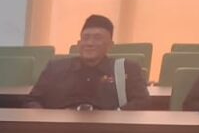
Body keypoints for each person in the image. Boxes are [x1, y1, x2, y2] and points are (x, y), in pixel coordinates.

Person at [27, 15, 157, 109]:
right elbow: (32, 100)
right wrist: (44, 120)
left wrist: (117, 115)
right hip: (59, 131)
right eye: (86, 38)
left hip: (108, 132)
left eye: (97, 38)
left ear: (110, 45)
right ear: (79, 43)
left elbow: (142, 102)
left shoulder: (126, 69)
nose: (90, 43)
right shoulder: (55, 68)